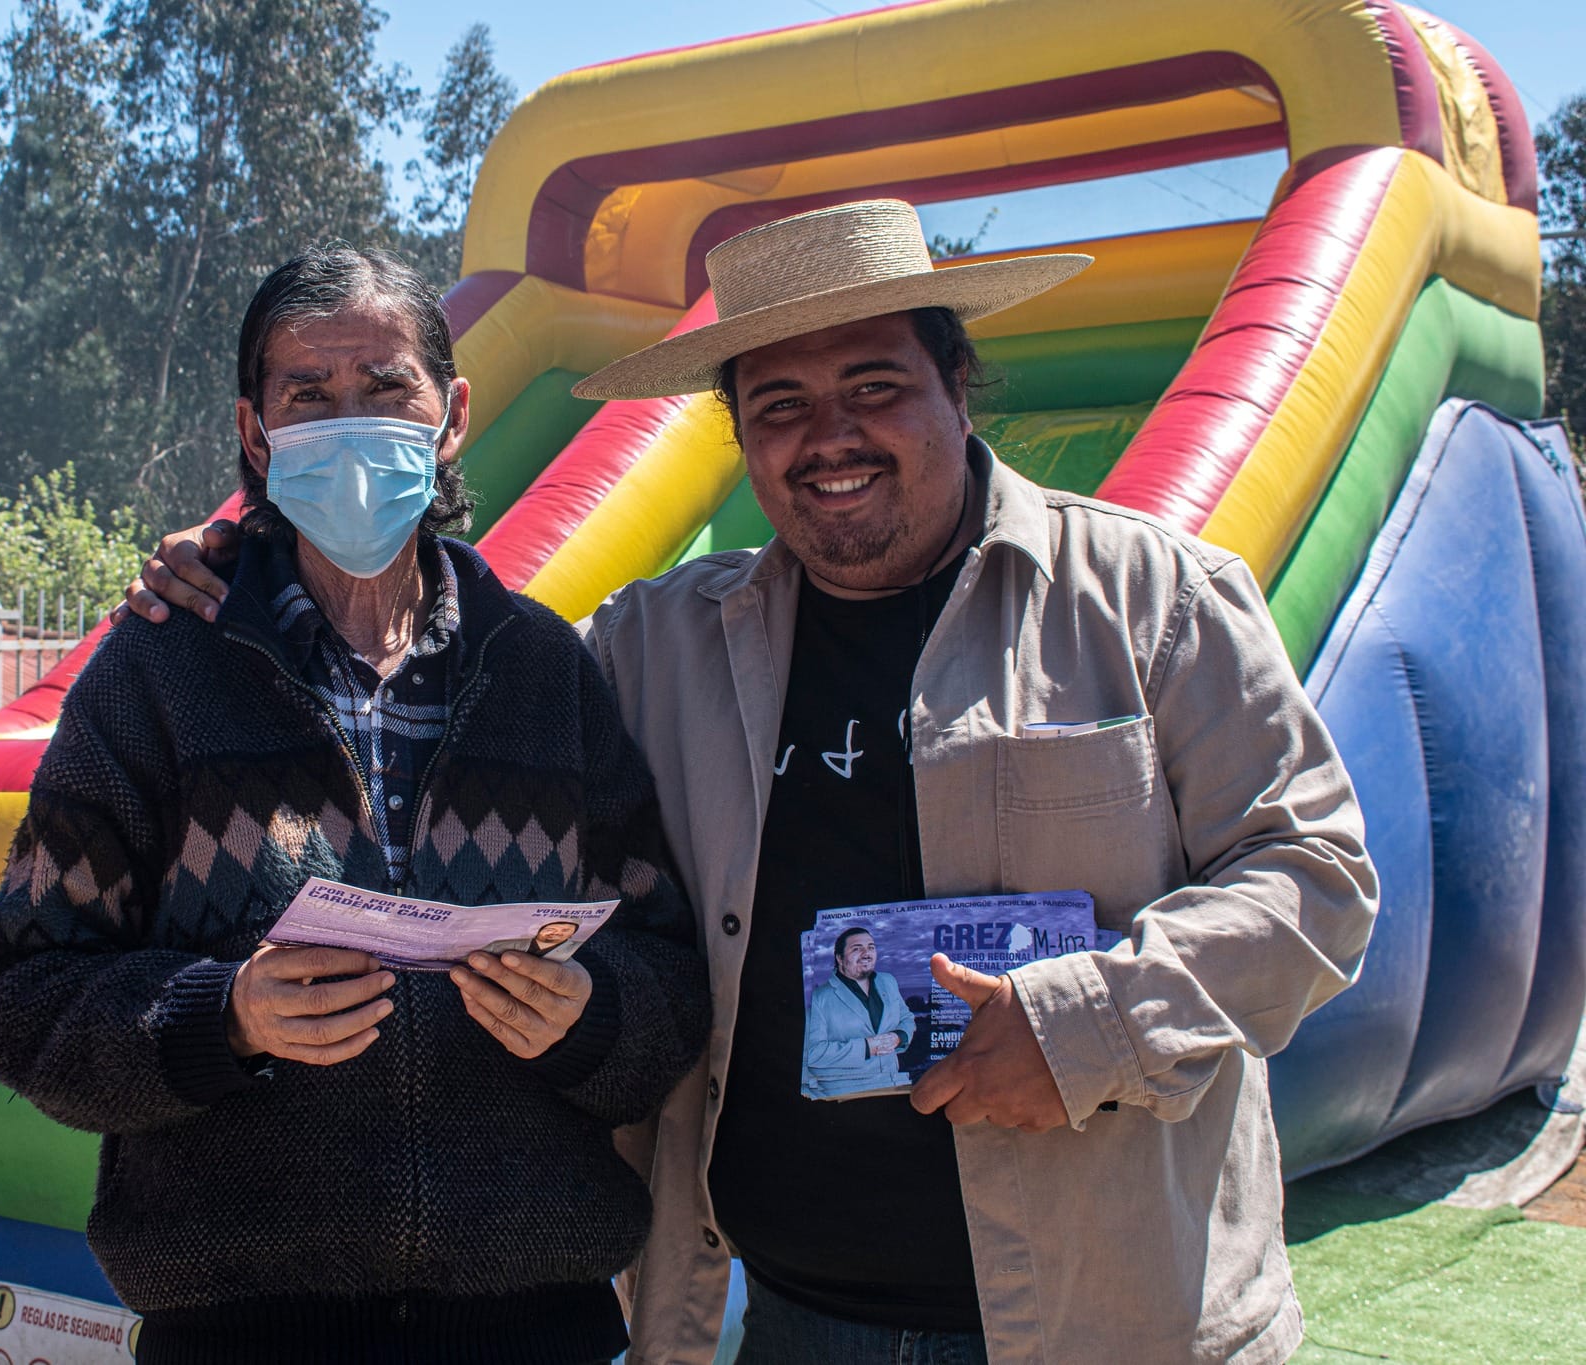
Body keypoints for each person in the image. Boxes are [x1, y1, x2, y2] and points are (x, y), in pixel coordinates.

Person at [117, 201, 1379, 1365]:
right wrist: (248, 563)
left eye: (873, 386)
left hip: (1117, 1321)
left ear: (957, 387)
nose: (826, 437)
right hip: (796, 1320)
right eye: (775, 405)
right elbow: (440, 644)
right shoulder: (652, 648)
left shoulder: (1153, 604)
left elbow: (1315, 881)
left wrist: (1084, 1021)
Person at [0, 243, 709, 1365]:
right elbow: (15, 991)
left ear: (450, 417)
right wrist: (224, 1017)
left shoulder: (544, 674)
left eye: (385, 388)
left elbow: (665, 971)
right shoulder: (162, 671)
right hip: (241, 1335)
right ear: (256, 435)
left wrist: (591, 1017)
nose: (349, 423)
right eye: (308, 395)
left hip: (529, 1332)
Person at [802, 927, 912, 1098]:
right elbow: (813, 1053)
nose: (866, 953)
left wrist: (899, 1036)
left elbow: (906, 1018)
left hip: (893, 1085)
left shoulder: (888, 981)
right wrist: (868, 1047)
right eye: (857, 948)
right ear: (839, 958)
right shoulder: (818, 997)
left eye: (871, 947)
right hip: (845, 1093)